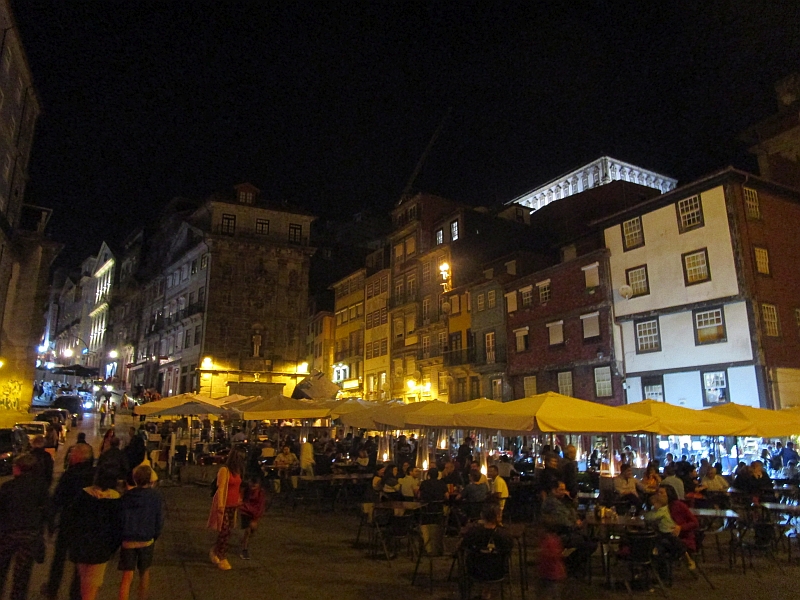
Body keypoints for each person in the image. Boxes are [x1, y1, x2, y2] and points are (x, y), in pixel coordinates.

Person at [44, 443, 95, 600]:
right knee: (80, 564)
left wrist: (51, 520)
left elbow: (57, 498)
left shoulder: (69, 475)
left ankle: (52, 589)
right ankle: (76, 593)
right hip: (86, 525)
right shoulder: (94, 475)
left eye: (73, 453)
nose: (70, 455)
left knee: (59, 559)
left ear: (79, 456)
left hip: (68, 523)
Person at [0, 454, 52, 600]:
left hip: (7, 534)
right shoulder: (40, 486)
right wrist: (49, 528)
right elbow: (47, 509)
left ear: (19, 469)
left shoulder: (8, 486)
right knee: (21, 575)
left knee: (1, 568)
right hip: (29, 534)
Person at [69, 464, 123, 600]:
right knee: (92, 585)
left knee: (83, 582)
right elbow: (118, 528)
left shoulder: (83, 495)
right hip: (101, 549)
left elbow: (72, 520)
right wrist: (111, 549)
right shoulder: (115, 500)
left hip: (82, 547)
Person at [118, 466, 164, 600]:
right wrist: (154, 535)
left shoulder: (126, 496)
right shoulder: (155, 496)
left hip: (128, 540)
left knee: (127, 576)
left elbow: (120, 518)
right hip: (146, 539)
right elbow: (159, 519)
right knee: (144, 574)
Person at [540, 480, 597, 577]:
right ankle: (570, 565)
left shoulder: (561, 501)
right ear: (554, 490)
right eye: (561, 489)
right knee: (589, 544)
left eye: (564, 489)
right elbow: (564, 521)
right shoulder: (553, 503)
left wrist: (571, 500)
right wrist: (576, 524)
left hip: (564, 531)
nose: (564, 491)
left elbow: (572, 512)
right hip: (558, 534)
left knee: (589, 540)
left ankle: (572, 565)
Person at [644, 485, 696, 573]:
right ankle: (659, 574)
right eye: (657, 493)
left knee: (661, 544)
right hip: (662, 535)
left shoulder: (678, 505)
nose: (658, 495)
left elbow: (695, 522)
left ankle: (662, 574)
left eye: (661, 493)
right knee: (650, 542)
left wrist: (680, 527)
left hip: (681, 537)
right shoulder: (658, 507)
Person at [208, 447, 245, 570]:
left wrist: (239, 499)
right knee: (224, 531)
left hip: (233, 505)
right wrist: (220, 505)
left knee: (227, 531)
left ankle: (216, 550)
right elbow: (221, 488)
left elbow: (238, 487)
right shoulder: (225, 470)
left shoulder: (237, 471)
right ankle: (221, 555)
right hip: (224, 505)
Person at [238, 476, 267, 560]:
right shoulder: (246, 491)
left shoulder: (260, 493)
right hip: (245, 511)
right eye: (251, 483)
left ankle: (244, 542)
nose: (253, 486)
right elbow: (241, 501)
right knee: (247, 530)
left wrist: (256, 518)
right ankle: (244, 550)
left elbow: (261, 506)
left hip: (254, 513)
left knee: (252, 530)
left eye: (255, 484)